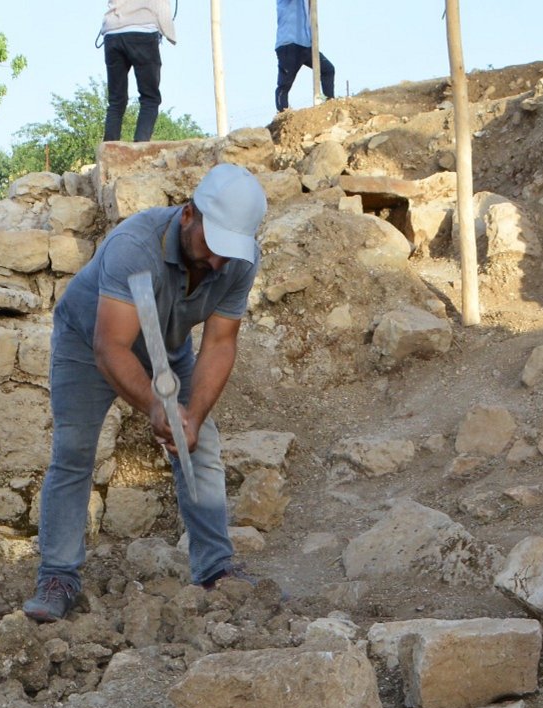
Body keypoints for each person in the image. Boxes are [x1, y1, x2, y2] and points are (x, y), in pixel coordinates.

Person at [23, 163, 267, 624]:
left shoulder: (239, 260)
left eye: (228, 252)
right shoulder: (134, 248)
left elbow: (220, 343)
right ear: (189, 215)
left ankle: (215, 569)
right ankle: (57, 576)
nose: (217, 262)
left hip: (167, 344)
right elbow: (110, 347)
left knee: (201, 444)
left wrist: (190, 414)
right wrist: (157, 405)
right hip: (89, 339)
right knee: (74, 452)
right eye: (213, 247)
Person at [98, 0, 176, 143]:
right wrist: (170, 34)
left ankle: (108, 149)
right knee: (150, 98)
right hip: (143, 32)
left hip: (112, 33)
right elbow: (162, 6)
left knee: (116, 100)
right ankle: (140, 148)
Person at [274, 0, 336, 113]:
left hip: (306, 45)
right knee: (284, 85)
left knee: (328, 69)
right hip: (289, 45)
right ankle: (283, 114)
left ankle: (329, 102)